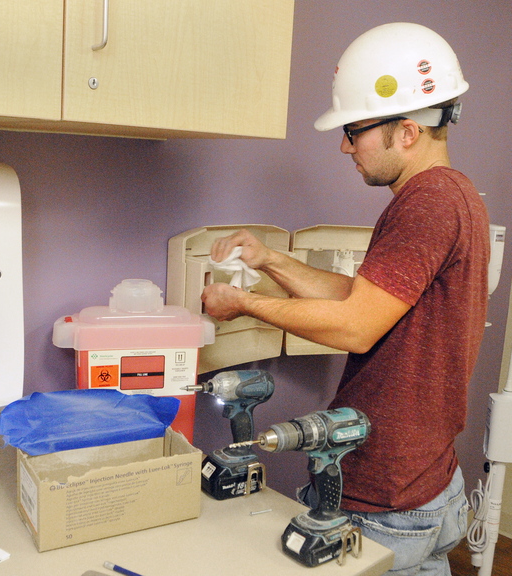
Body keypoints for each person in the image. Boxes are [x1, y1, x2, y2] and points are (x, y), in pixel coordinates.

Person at [201, 23, 490, 576]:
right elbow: (365, 299)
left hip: (385, 502)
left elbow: (356, 326)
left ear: (406, 131)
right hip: (428, 485)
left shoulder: (427, 201)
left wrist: (244, 304)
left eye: (354, 130)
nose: (343, 145)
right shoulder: (454, 196)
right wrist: (268, 261)